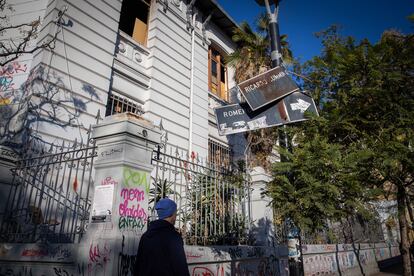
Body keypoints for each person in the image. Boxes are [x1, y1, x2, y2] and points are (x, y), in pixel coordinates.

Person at [134, 198, 189, 276]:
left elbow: (139, 264)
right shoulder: (174, 237)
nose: (176, 217)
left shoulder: (146, 236)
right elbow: (180, 267)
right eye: (175, 213)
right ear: (171, 214)